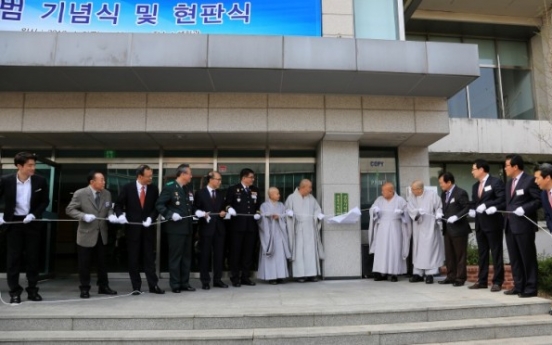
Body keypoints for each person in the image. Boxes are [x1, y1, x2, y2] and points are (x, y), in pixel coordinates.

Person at [0, 152, 49, 304]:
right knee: (13, 258)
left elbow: (44, 201)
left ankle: (33, 290)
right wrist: (0, 215)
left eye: (34, 165)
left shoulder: (40, 181)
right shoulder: (5, 180)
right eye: (30, 165)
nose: (33, 168)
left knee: (33, 258)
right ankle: (14, 291)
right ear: (19, 166)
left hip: (31, 222)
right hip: (12, 222)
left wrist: (34, 214)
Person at [66, 170, 119, 298]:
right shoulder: (81, 193)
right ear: (92, 182)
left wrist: (111, 216)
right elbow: (70, 209)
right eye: (101, 180)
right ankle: (84, 288)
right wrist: (83, 216)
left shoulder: (107, 194)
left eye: (104, 179)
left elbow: (109, 208)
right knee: (85, 264)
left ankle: (103, 286)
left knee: (102, 263)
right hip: (86, 234)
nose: (104, 182)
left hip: (102, 234)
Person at [114, 164, 164, 295]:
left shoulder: (153, 189)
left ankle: (153, 285)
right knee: (133, 259)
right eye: (148, 176)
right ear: (140, 176)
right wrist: (120, 216)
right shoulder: (128, 188)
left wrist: (151, 218)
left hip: (148, 230)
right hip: (132, 230)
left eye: (151, 176)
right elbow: (118, 205)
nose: (150, 179)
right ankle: (136, 286)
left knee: (149, 259)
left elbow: (156, 207)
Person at [503, 154, 541, 298]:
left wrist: (524, 208)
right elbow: (508, 203)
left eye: (507, 166)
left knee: (527, 257)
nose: (505, 168)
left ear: (515, 166)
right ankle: (519, 285)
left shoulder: (530, 180)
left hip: (524, 226)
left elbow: (538, 201)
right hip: (510, 225)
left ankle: (531, 288)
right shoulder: (508, 183)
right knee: (514, 258)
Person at [155, 164, 195, 293]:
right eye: (189, 173)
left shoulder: (187, 189)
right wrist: (171, 214)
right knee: (176, 257)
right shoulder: (170, 187)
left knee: (186, 257)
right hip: (175, 229)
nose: (191, 176)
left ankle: (185, 282)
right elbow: (159, 205)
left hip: (187, 228)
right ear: (182, 174)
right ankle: (175, 284)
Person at [468, 159, 506, 292]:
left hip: (493, 223)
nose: (472, 171)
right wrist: (472, 208)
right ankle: (482, 280)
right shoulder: (475, 186)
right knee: (482, 254)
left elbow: (502, 200)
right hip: (480, 224)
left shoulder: (495, 182)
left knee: (496, 253)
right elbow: (474, 202)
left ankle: (498, 281)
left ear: (481, 169)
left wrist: (488, 205)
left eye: (474, 169)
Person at [224, 168, 261, 287]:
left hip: (251, 226)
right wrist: (230, 209)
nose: (252, 179)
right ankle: (235, 277)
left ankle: (245, 277)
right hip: (237, 227)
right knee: (236, 253)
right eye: (251, 177)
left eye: (253, 177)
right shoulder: (233, 189)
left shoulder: (255, 190)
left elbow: (258, 206)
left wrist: (258, 213)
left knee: (248, 253)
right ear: (243, 178)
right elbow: (227, 204)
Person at [368, 182, 411, 282]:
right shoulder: (379, 200)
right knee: (381, 250)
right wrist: (375, 211)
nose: (382, 192)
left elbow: (407, 214)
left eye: (384, 191)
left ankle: (393, 273)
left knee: (394, 249)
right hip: (382, 227)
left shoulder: (400, 200)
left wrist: (402, 213)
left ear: (391, 191)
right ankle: (381, 272)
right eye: (382, 190)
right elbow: (372, 209)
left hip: (395, 227)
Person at [193, 171, 228, 290]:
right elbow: (195, 208)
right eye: (218, 179)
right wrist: (200, 213)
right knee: (205, 255)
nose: (219, 182)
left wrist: (224, 212)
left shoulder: (220, 193)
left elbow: (224, 207)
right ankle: (205, 281)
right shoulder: (200, 193)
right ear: (210, 179)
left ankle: (217, 279)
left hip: (219, 228)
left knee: (219, 255)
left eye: (220, 180)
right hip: (206, 228)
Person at [285, 179, 325, 283]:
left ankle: (311, 274)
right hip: (297, 228)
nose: (311, 190)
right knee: (299, 252)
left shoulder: (311, 198)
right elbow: (286, 210)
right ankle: (300, 275)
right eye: (309, 187)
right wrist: (289, 213)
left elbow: (317, 209)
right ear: (303, 187)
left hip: (310, 229)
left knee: (310, 251)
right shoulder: (291, 198)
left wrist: (318, 215)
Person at [406, 180, 444, 284]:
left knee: (429, 250)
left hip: (430, 226)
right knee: (417, 250)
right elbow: (410, 208)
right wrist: (417, 212)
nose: (412, 191)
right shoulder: (412, 197)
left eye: (413, 189)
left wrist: (439, 214)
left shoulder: (432, 196)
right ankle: (417, 273)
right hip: (418, 226)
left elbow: (439, 207)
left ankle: (430, 274)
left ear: (420, 189)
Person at [438, 172, 471, 287]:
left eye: (442, 183)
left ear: (449, 182)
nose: (441, 185)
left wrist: (457, 216)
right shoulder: (443, 194)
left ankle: (460, 278)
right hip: (447, 228)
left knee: (460, 255)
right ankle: (450, 276)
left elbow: (467, 208)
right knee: (449, 255)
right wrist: (440, 215)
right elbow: (445, 209)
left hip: (459, 229)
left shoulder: (460, 192)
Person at [257, 187, 292, 284]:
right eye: (277, 194)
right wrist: (268, 216)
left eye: (279, 193)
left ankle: (280, 276)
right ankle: (271, 277)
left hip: (279, 233)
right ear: (271, 195)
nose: (279, 195)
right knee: (271, 256)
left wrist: (279, 217)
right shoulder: (264, 205)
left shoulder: (281, 205)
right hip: (269, 233)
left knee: (280, 254)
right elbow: (261, 218)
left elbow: (285, 216)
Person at [534, 163, 552, 232]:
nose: (535, 181)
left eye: (537, 178)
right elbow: (548, 216)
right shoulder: (543, 195)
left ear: (547, 178)